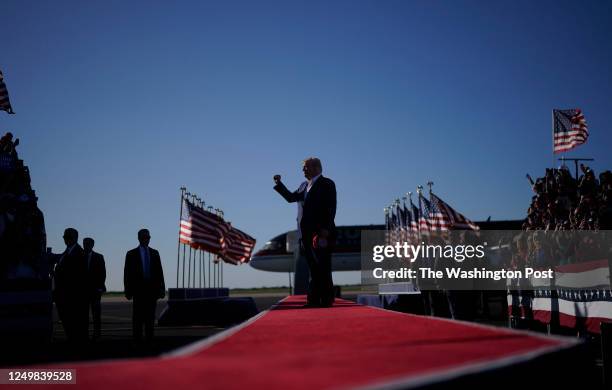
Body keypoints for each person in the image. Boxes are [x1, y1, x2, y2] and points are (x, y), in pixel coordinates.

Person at [273, 157, 337, 307]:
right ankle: (315, 300)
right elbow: (291, 198)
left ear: (315, 168)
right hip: (306, 234)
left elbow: (331, 207)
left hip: (321, 233)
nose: (303, 170)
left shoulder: (327, 184)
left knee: (323, 266)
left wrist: (325, 229)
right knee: (313, 268)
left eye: (305, 167)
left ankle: (325, 300)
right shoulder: (304, 186)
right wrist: (279, 184)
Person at [124, 229, 165, 342]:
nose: (146, 239)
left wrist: (162, 288)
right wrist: (128, 290)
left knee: (150, 319)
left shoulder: (155, 253)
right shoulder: (131, 254)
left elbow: (160, 272)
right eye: (144, 237)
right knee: (137, 319)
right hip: (138, 291)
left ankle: (149, 342)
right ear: (139, 238)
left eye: (148, 237)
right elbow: (127, 273)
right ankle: (137, 342)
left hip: (152, 291)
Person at [52, 228, 88, 343]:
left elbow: (76, 276)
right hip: (63, 296)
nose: (66, 240)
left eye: (69, 237)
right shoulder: (66, 252)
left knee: (74, 327)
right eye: (65, 237)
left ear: (76, 238)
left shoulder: (79, 253)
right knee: (69, 326)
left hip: (72, 297)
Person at [83, 237, 106, 340]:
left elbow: (103, 273)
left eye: (88, 244)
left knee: (96, 315)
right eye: (85, 243)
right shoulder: (79, 256)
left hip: (95, 291)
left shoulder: (99, 257)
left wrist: (100, 287)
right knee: (83, 316)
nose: (86, 246)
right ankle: (84, 334)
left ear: (92, 245)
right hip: (83, 291)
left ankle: (97, 334)